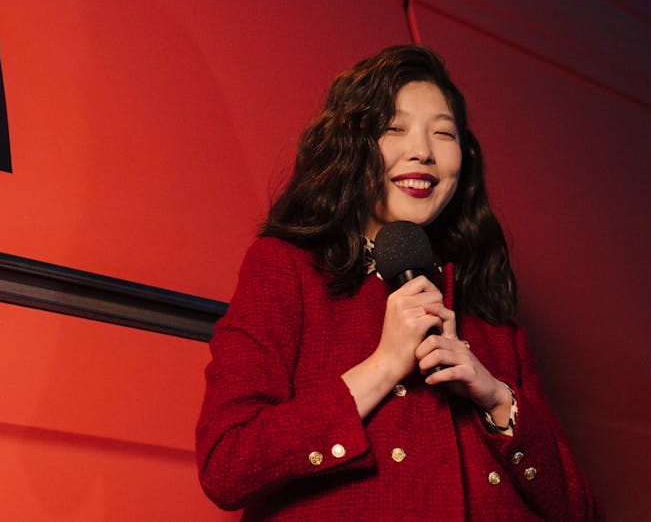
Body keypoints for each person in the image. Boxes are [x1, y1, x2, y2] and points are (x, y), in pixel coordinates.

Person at [195, 45, 599, 520]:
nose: (423, 151)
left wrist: (495, 397)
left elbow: (580, 511)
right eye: (394, 128)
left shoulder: (485, 307)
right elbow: (227, 464)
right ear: (351, 145)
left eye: (443, 133)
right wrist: (384, 365)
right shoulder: (286, 268)